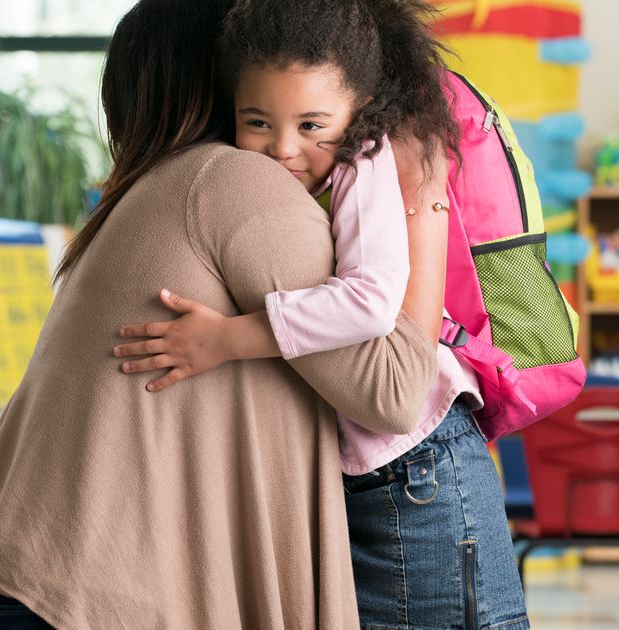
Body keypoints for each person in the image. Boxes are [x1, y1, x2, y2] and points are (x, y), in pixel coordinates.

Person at [0, 1, 440, 627]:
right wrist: (424, 195)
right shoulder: (234, 182)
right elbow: (395, 392)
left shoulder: (152, 191)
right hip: (41, 603)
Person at [113, 1, 530, 627]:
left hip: (416, 475)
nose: (283, 147)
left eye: (311, 126)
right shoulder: (280, 172)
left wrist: (226, 339)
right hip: (368, 481)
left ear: (356, 113)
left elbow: (369, 303)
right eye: (258, 122)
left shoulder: (368, 159)